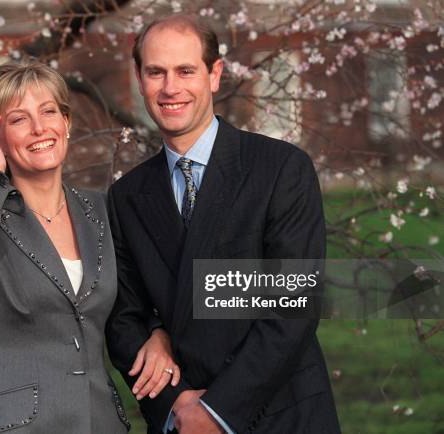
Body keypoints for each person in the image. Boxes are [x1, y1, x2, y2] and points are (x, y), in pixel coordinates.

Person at [106, 14, 341, 434]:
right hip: (180, 419)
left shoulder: (280, 169)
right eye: (155, 72)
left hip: (280, 416)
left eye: (185, 71)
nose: (170, 88)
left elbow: (292, 304)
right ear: (140, 80)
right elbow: (124, 318)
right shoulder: (127, 196)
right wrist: (175, 404)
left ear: (214, 75)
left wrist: (215, 412)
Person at [0, 60, 179, 434]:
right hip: (11, 425)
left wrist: (159, 333)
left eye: (49, 112)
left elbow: (138, 299)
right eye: (18, 120)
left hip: (100, 421)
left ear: (66, 122)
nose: (39, 128)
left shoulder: (101, 209)